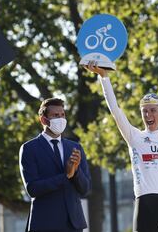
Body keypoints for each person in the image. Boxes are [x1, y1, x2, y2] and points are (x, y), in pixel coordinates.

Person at [86, 62, 158, 232]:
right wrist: (104, 77)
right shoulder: (135, 137)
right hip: (145, 204)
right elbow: (115, 111)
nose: (148, 115)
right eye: (145, 111)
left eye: (153, 110)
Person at [19, 98, 91, 232]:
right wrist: (65, 176)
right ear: (43, 120)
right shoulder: (29, 149)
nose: (61, 119)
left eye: (62, 115)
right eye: (55, 115)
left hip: (73, 224)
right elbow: (32, 188)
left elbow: (86, 188)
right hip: (44, 224)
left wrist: (75, 173)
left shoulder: (75, 148)